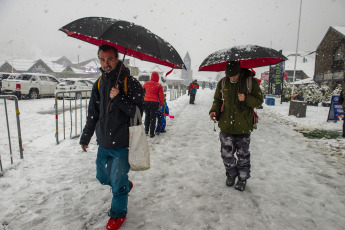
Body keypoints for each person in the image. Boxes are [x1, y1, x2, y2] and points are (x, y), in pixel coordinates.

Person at [79, 44, 143, 230]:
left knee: (117, 183)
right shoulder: (99, 84)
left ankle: (117, 214)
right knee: (103, 177)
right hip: (103, 142)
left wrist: (119, 98)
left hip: (122, 143)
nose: (106, 63)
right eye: (102, 59)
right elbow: (93, 113)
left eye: (109, 59)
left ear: (117, 59)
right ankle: (124, 183)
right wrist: (86, 137)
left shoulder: (130, 83)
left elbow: (139, 111)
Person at [209, 61, 263, 192]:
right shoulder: (223, 83)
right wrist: (214, 110)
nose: (232, 78)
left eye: (234, 75)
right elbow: (217, 100)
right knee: (226, 154)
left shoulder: (250, 82)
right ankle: (231, 174)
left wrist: (246, 98)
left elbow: (259, 100)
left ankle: (243, 178)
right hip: (226, 126)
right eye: (229, 75)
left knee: (243, 155)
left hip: (243, 127)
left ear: (240, 71)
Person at [142, 71, 164, 138]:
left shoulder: (146, 83)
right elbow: (161, 96)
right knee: (153, 118)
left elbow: (141, 90)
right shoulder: (159, 85)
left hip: (146, 102)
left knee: (147, 116)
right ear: (157, 78)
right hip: (154, 103)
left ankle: (146, 131)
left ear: (151, 77)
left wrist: (144, 97)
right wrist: (161, 104)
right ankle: (151, 133)